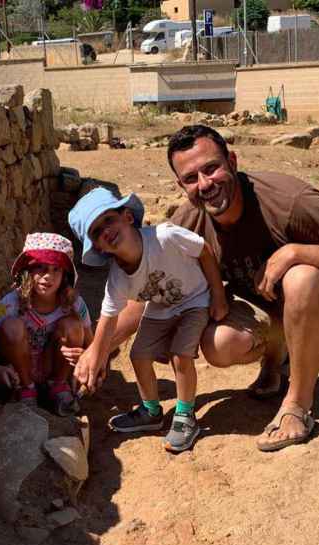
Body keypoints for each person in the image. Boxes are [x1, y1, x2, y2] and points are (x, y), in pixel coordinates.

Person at [108, 125, 319, 451]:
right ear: (180, 185)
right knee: (219, 342)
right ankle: (275, 356)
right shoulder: (189, 221)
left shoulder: (287, 200)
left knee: (301, 277)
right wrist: (96, 351)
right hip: (269, 305)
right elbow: (152, 290)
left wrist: (296, 252)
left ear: (233, 161)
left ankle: (297, 406)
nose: (205, 184)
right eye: (191, 178)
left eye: (211, 168)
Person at [69, 187, 229, 453]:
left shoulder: (165, 236)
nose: (105, 231)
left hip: (194, 299)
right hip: (160, 307)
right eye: (97, 232)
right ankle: (151, 411)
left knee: (181, 355)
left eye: (108, 220)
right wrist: (94, 358)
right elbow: (108, 320)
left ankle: (185, 415)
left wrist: (218, 294)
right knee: (139, 355)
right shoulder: (118, 279)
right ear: (98, 247)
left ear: (128, 217)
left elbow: (204, 251)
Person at [0, 233, 92, 416]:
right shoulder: (10, 303)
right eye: (41, 268)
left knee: (73, 326)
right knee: (12, 326)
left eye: (56, 270)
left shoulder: (75, 304)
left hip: (52, 365)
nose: (48, 277)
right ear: (27, 271)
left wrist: (84, 357)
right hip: (19, 370)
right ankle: (26, 389)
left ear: (65, 275)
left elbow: (93, 348)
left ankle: (59, 386)